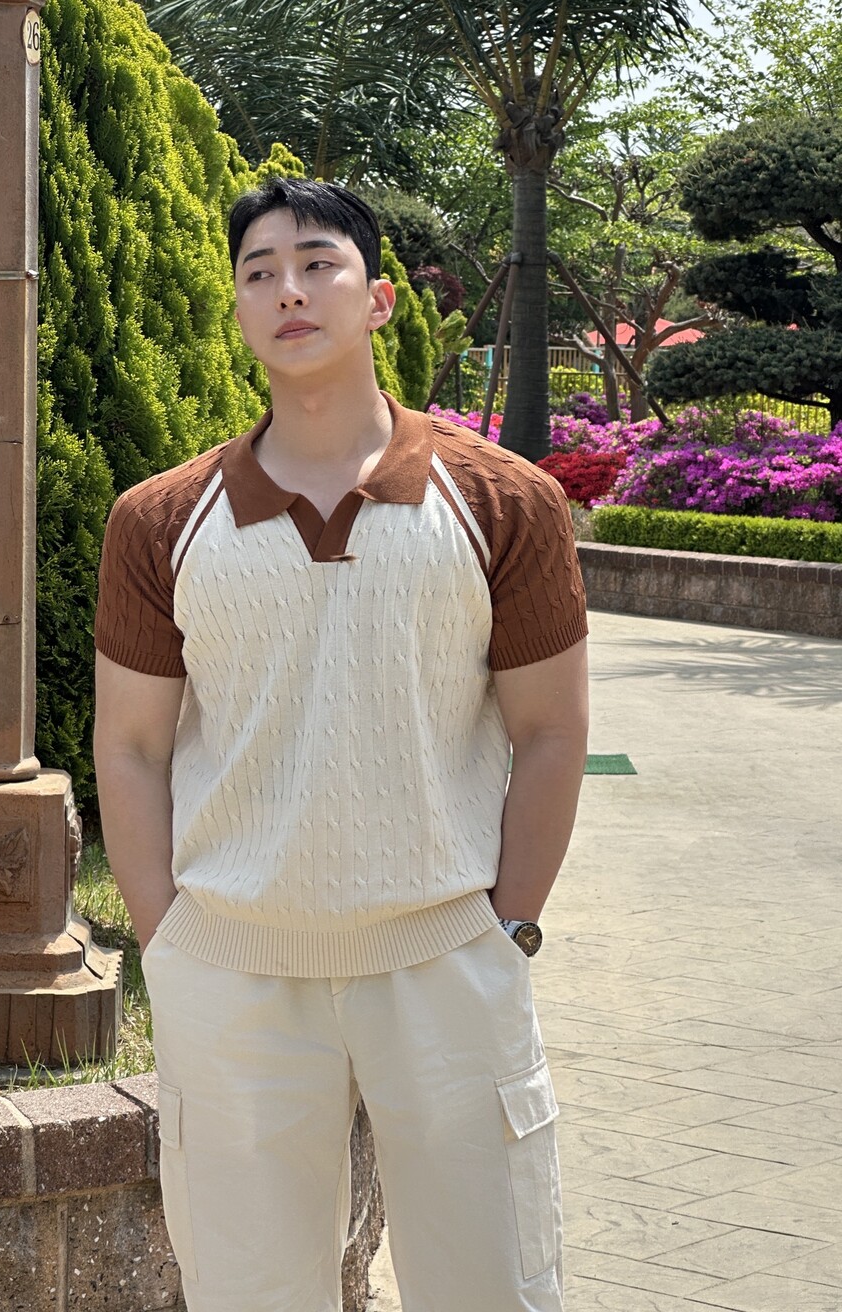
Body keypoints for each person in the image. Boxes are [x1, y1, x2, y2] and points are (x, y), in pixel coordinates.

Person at [93, 178, 588, 1312]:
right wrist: (171, 942)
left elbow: (552, 729)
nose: (289, 290)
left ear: (379, 299)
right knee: (249, 1290)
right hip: (233, 973)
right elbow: (131, 745)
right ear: (237, 308)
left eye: (318, 263)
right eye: (259, 272)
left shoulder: (502, 501)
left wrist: (507, 927)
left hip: (446, 960)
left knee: (491, 1286)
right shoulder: (158, 521)